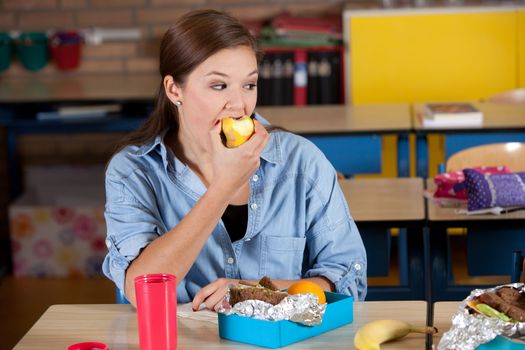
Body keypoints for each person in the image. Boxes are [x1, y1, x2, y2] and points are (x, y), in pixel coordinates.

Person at [102, 9, 367, 310]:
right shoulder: (132, 172)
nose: (239, 105)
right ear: (174, 89)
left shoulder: (300, 162)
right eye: (219, 86)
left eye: (249, 85)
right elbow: (142, 291)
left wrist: (252, 291)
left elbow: (347, 282)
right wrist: (223, 187)